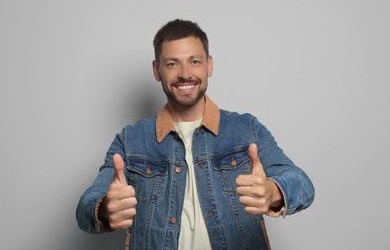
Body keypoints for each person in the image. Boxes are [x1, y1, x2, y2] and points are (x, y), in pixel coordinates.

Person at [76, 19, 315, 250]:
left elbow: (303, 184)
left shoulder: (246, 129)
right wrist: (105, 209)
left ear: (209, 65)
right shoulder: (130, 140)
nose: (185, 73)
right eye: (172, 64)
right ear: (157, 70)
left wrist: (272, 192)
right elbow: (86, 205)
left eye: (194, 62)